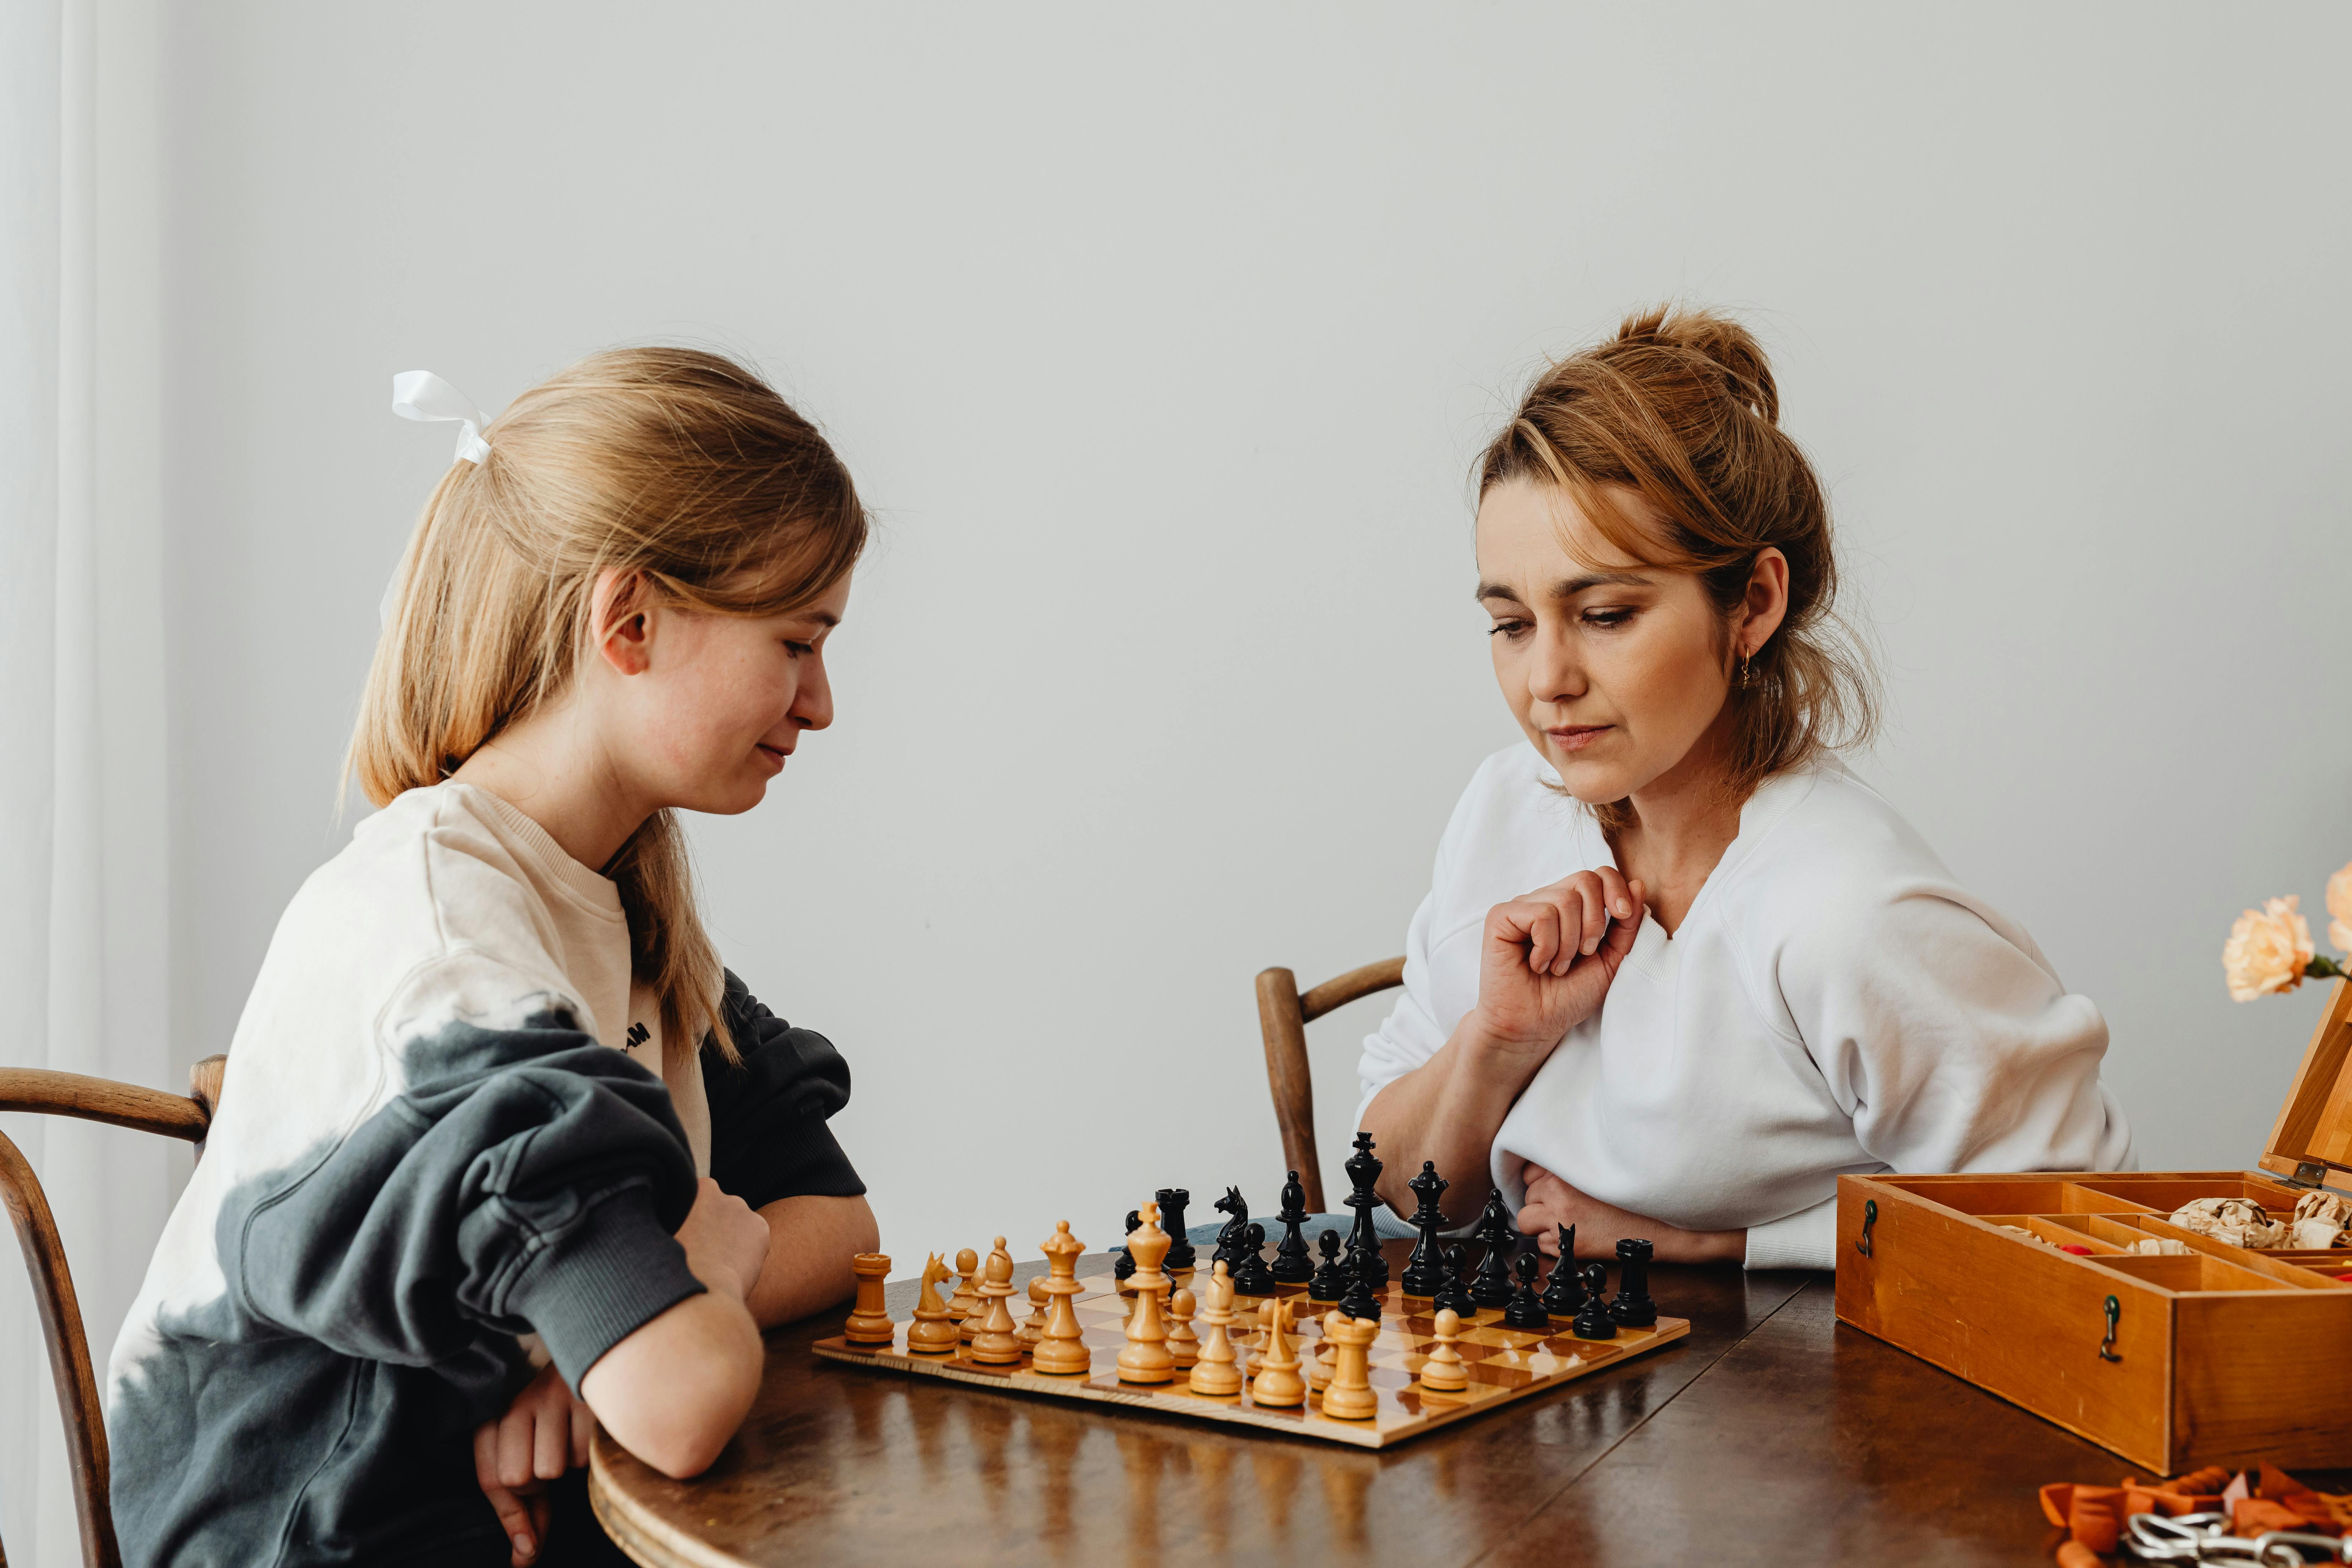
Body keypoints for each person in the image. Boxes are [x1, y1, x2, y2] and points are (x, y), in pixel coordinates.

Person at [106, 348, 879, 1567]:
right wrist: (697, 1281)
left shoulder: (611, 902)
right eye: (796, 640)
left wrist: (609, 1343)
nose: (821, 701)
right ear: (627, 621)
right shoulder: (449, 956)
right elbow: (677, 1405)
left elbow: (840, 1221)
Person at [1356, 307, 2132, 1272]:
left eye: (1603, 614)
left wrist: (1717, 1242)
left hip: (1777, 1402)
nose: (1545, 679)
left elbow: (2068, 1222)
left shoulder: (1846, 916)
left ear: (1753, 603)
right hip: (1531, 1375)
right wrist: (1497, 1041)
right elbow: (1392, 1179)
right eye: (1510, 624)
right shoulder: (1506, 803)